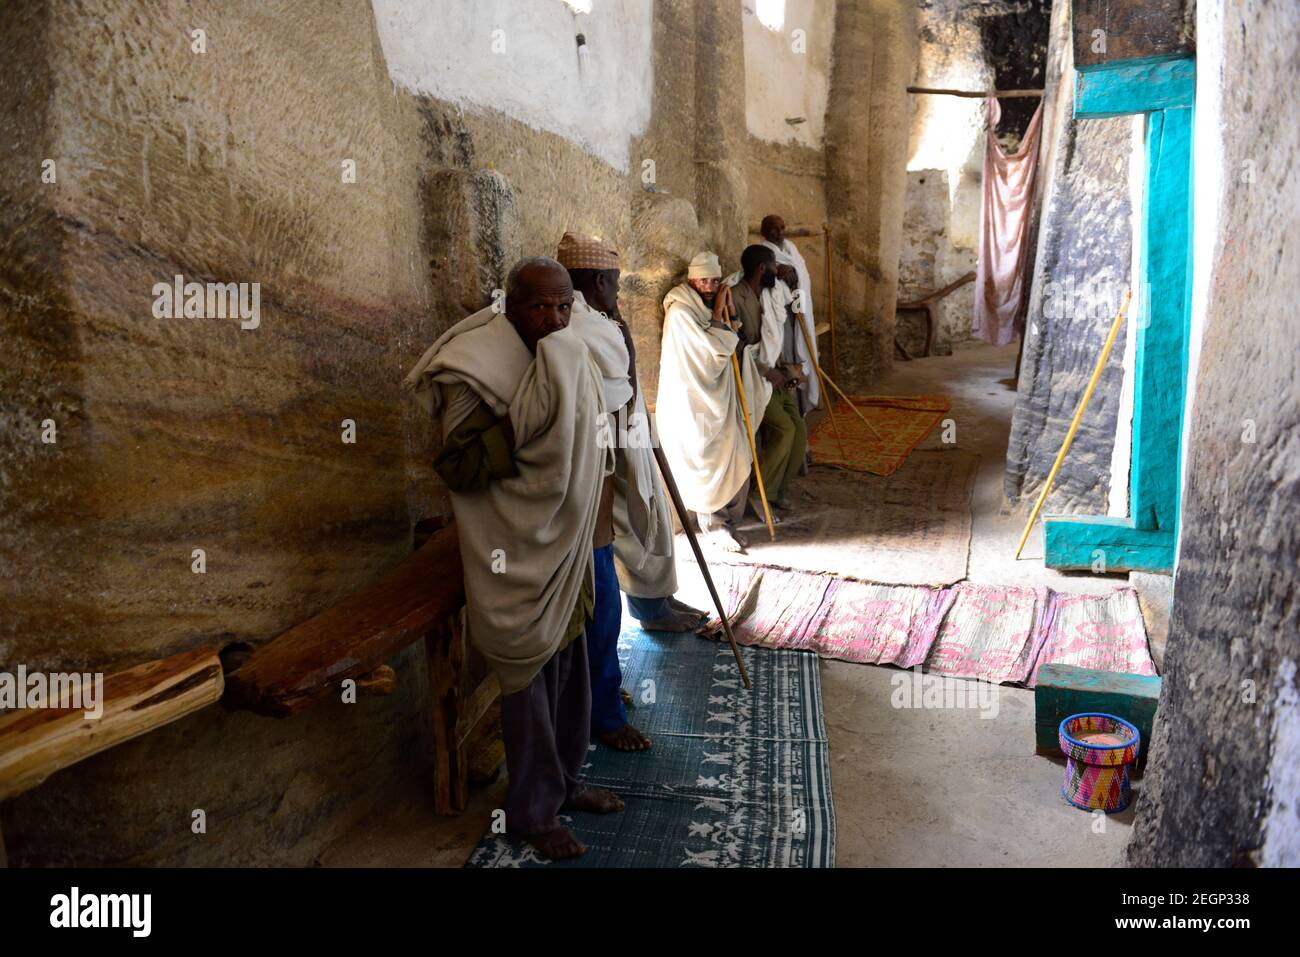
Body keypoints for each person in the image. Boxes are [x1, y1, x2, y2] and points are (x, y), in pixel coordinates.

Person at [404, 256, 624, 859]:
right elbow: (457, 466)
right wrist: (531, 427)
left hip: (568, 545)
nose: (553, 319)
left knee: (572, 672)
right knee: (528, 684)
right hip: (515, 554)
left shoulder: (569, 352)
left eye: (562, 306)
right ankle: (532, 811)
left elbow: (584, 437)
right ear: (511, 305)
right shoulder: (475, 367)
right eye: (538, 307)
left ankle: (568, 782)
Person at [556, 232, 708, 638]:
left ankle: (660, 599)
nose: (618, 289)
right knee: (638, 526)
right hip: (607, 450)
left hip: (631, 434)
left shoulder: (599, 318)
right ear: (599, 282)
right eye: (615, 280)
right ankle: (650, 610)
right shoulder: (580, 325)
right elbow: (617, 390)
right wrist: (623, 332)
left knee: (654, 514)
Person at [656, 251, 768, 553]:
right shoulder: (681, 312)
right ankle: (714, 524)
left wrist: (729, 312)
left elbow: (733, 338)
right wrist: (719, 314)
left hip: (721, 399)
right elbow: (710, 353)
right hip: (695, 403)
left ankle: (729, 519)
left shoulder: (704, 307)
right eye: (703, 280)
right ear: (691, 280)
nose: (709, 286)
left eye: (715, 280)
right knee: (708, 457)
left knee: (737, 448)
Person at [725, 244, 808, 512]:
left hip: (775, 374)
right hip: (753, 377)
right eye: (773, 265)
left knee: (799, 431)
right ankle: (757, 492)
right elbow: (736, 346)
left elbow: (773, 341)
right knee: (785, 430)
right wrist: (766, 371)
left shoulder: (770, 294)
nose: (777, 269)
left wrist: (785, 371)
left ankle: (776, 491)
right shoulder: (736, 297)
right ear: (762, 268)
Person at [760, 214, 821, 413]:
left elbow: (803, 277)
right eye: (773, 229)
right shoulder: (762, 253)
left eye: (782, 227)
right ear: (764, 232)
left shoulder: (791, 248)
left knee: (800, 357)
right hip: (780, 316)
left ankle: (802, 410)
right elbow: (763, 280)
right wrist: (777, 270)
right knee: (787, 359)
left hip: (797, 311)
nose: (779, 233)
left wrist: (794, 276)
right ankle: (791, 409)